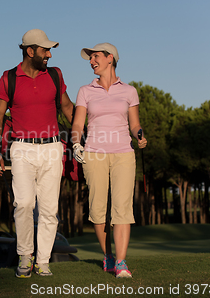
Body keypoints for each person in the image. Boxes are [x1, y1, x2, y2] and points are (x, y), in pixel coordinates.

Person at [0, 29, 74, 278]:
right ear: (30, 51)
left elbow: (67, 107)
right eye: (45, 50)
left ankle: (44, 261)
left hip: (52, 147)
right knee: (24, 203)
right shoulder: (8, 79)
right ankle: (25, 256)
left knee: (49, 209)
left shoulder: (55, 75)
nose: (49, 54)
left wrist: (85, 132)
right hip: (22, 148)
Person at [71, 43, 147, 278]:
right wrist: (76, 143)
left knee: (122, 208)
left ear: (110, 58)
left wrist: (140, 136)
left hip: (124, 153)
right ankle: (108, 257)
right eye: (90, 58)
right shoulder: (85, 90)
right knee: (98, 209)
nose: (91, 61)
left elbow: (134, 124)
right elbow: (77, 123)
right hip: (94, 153)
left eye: (95, 56)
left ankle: (122, 263)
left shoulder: (129, 91)